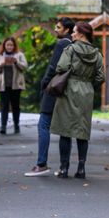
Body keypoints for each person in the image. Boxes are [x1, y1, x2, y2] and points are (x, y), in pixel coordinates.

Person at [49, 21, 105, 178]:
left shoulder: (70, 49)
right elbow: (101, 77)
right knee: (82, 131)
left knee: (65, 130)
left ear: (81, 34)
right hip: (86, 92)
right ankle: (81, 169)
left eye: (74, 32)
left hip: (68, 91)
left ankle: (64, 168)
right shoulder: (97, 54)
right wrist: (88, 84)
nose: (72, 34)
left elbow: (61, 67)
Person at [25, 18, 75, 176]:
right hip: (68, 90)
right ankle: (64, 167)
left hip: (54, 89)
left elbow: (53, 67)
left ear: (67, 29)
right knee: (65, 129)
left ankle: (41, 163)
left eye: (58, 27)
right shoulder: (76, 45)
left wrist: (44, 84)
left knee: (44, 124)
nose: (55, 29)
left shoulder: (62, 44)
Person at [0, 37, 28, 135]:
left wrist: (16, 62)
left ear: (14, 46)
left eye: (11, 45)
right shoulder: (0, 57)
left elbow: (25, 66)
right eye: (7, 45)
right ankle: (3, 126)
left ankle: (16, 126)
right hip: (3, 86)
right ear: (4, 46)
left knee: (15, 106)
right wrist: (1, 65)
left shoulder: (19, 55)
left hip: (16, 85)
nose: (9, 47)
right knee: (4, 106)